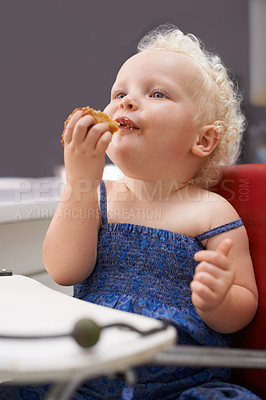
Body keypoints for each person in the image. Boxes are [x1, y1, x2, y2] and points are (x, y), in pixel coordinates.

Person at [1, 25, 260, 400]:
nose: (126, 102)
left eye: (156, 93)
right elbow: (64, 269)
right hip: (86, 374)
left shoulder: (211, 211)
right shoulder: (97, 196)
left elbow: (244, 306)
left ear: (203, 139)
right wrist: (80, 182)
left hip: (184, 382)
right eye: (119, 93)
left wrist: (219, 300)